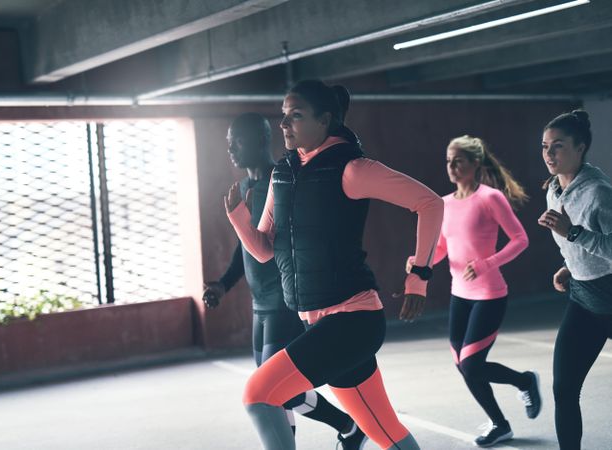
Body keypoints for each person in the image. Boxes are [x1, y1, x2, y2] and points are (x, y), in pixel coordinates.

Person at [225, 79, 444, 450]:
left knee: (259, 394)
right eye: (283, 116)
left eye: (296, 116)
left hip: (353, 320)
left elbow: (430, 203)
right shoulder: (284, 173)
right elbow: (264, 251)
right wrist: (237, 217)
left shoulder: (353, 169)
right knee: (384, 431)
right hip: (318, 322)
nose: (284, 124)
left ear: (324, 120)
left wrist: (418, 278)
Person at [202, 112, 367, 449]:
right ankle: (348, 426)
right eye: (228, 141)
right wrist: (222, 283)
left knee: (272, 389)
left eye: (238, 139)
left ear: (262, 139)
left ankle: (348, 425)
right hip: (259, 306)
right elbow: (244, 247)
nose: (231, 147)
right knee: (275, 395)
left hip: (284, 301)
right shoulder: (245, 188)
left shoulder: (284, 180)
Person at [407, 135, 540, 447]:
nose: (452, 167)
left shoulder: (490, 198)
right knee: (464, 366)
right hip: (460, 295)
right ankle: (500, 424)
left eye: (458, 161)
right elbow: (441, 248)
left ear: (475, 163)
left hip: (490, 294)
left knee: (471, 364)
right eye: (448, 161)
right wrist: (419, 261)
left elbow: (521, 239)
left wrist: (486, 264)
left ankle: (524, 381)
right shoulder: (444, 203)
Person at [538, 110, 612, 450]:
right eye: (544, 147)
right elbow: (576, 244)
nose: (549, 155)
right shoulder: (553, 190)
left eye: (558, 147)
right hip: (584, 298)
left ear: (580, 148)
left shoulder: (598, 192)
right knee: (564, 389)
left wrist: (573, 234)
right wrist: (570, 265)